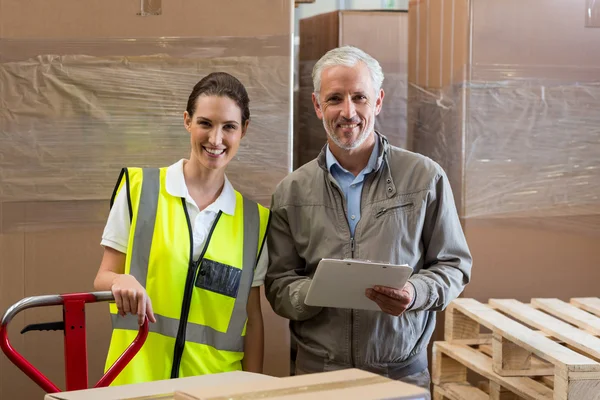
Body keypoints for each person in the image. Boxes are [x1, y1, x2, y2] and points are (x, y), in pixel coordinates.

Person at [264, 46, 472, 391]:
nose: (348, 112)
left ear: (377, 102)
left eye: (359, 97)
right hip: (318, 377)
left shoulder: (424, 178)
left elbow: (454, 265)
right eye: (335, 99)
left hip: (400, 377)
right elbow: (278, 283)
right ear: (318, 106)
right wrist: (314, 292)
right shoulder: (292, 192)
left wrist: (415, 292)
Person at [94, 72, 270, 385]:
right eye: (205, 123)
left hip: (215, 388)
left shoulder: (254, 221)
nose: (216, 139)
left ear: (244, 129)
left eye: (228, 126)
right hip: (136, 382)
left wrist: (255, 390)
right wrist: (121, 280)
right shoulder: (139, 190)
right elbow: (103, 278)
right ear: (187, 121)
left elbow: (252, 320)